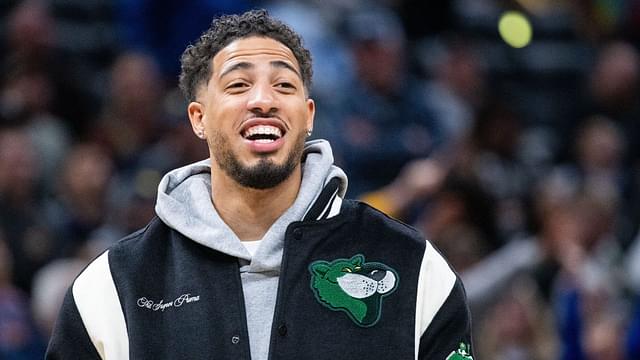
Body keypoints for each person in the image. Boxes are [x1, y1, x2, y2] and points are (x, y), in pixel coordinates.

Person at [46, 9, 474, 359]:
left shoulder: (415, 268)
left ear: (308, 116)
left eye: (283, 84)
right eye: (238, 84)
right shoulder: (112, 287)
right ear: (199, 118)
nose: (263, 99)